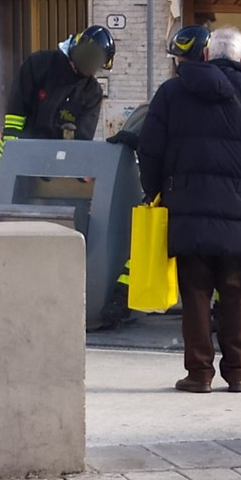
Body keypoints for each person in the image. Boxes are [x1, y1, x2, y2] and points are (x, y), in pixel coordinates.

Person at [137, 26, 241, 393]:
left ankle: (199, 374)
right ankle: (238, 373)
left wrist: (155, 192)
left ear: (206, 54)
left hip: (187, 208)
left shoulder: (172, 92)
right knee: (237, 293)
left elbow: (150, 149)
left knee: (194, 293)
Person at [100, 25, 212, 330]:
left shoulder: (169, 94)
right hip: (212, 193)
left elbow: (149, 135)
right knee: (208, 259)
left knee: (150, 247)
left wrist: (151, 187)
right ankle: (209, 316)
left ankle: (120, 303)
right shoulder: (228, 94)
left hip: (174, 188)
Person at [0, 25, 115, 164]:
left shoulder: (91, 92)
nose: (90, 68)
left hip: (55, 165)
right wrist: (12, 141)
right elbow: (17, 107)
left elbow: (83, 140)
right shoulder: (39, 64)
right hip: (19, 155)